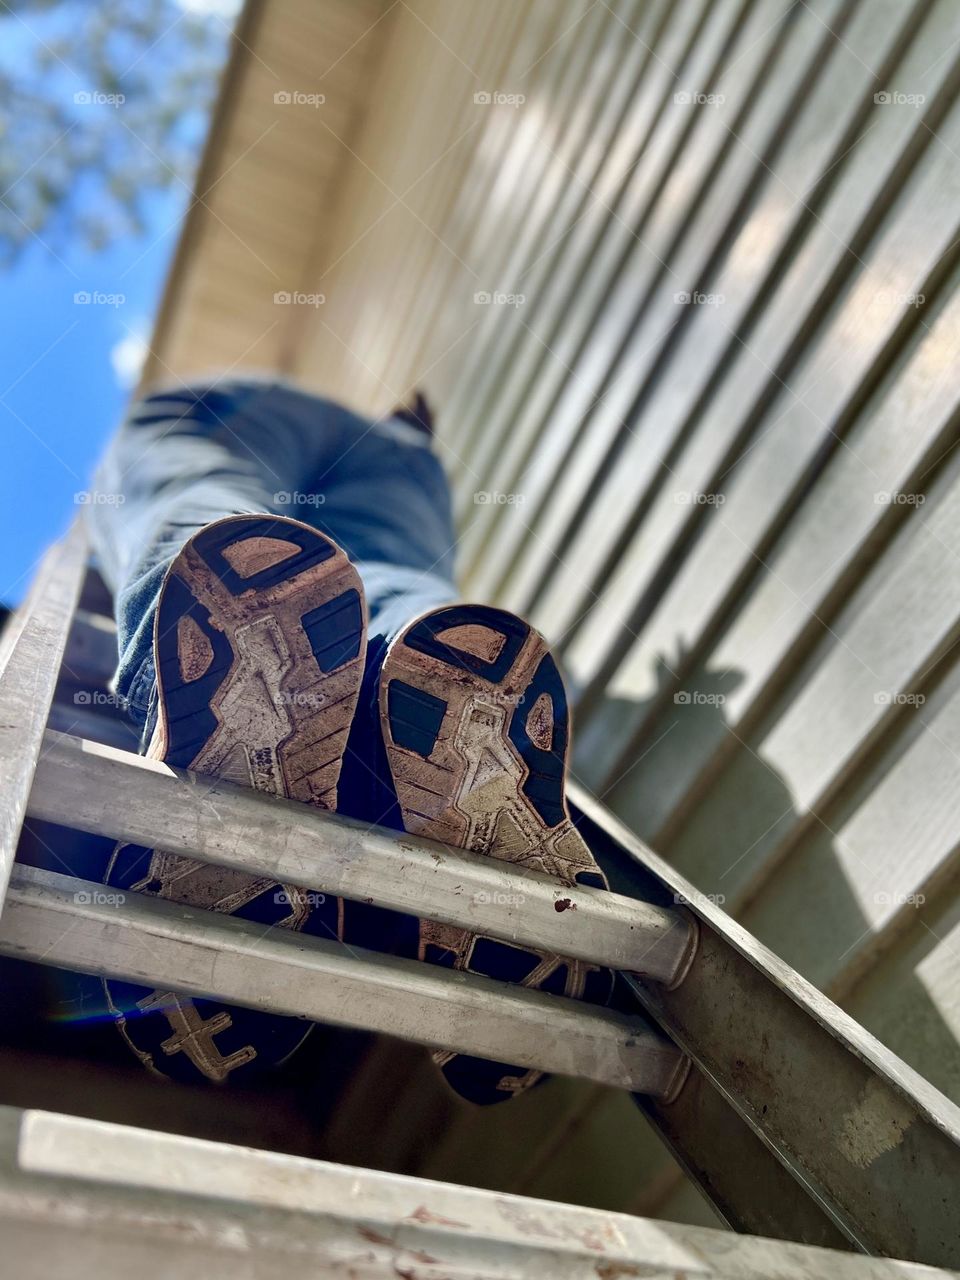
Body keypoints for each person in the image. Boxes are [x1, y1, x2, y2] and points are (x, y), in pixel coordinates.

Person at [86, 375, 612, 1105]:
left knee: (199, 497)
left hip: (236, 409)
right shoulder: (405, 444)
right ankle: (432, 725)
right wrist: (410, 431)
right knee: (400, 584)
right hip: (404, 452)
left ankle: (277, 707)